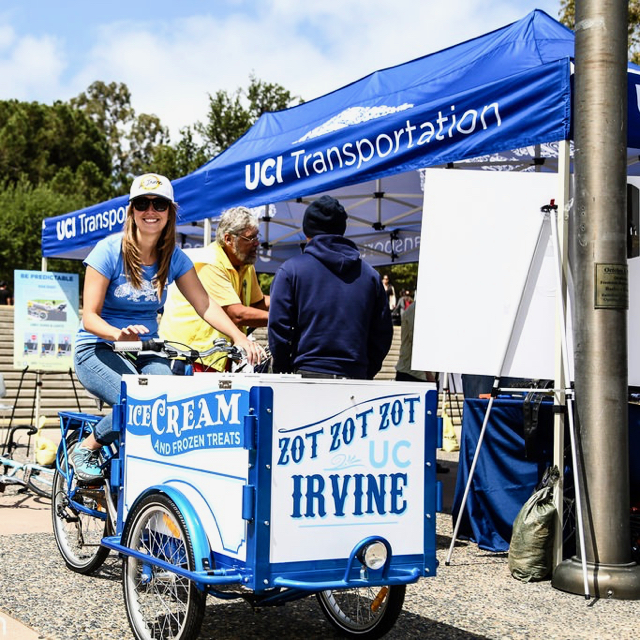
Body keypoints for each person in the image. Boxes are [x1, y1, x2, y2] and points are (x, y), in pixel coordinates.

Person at [70, 173, 262, 483]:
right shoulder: (108, 251)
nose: (150, 211)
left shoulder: (173, 257)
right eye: (142, 204)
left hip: (145, 348)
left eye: (159, 204)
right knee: (137, 397)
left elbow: (206, 304)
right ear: (132, 210)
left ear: (169, 212)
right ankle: (87, 447)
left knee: (168, 399)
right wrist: (118, 335)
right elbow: (89, 317)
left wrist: (239, 337)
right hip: (97, 347)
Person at [268, 195, 393, 379]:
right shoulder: (370, 276)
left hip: (306, 376)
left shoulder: (290, 271)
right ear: (342, 229)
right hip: (355, 379)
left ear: (306, 230)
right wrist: (364, 371)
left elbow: (278, 329)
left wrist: (283, 370)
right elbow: (382, 334)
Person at [159, 206, 269, 372]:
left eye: (257, 236)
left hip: (213, 357)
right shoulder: (210, 263)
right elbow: (236, 314)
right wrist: (286, 318)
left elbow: (258, 304)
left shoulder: (245, 265)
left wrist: (293, 303)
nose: (256, 243)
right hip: (187, 355)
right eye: (250, 238)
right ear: (228, 239)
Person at [395, 302, 435, 383]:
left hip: (416, 373)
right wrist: (428, 374)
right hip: (413, 374)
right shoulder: (417, 309)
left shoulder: (422, 308)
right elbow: (416, 341)